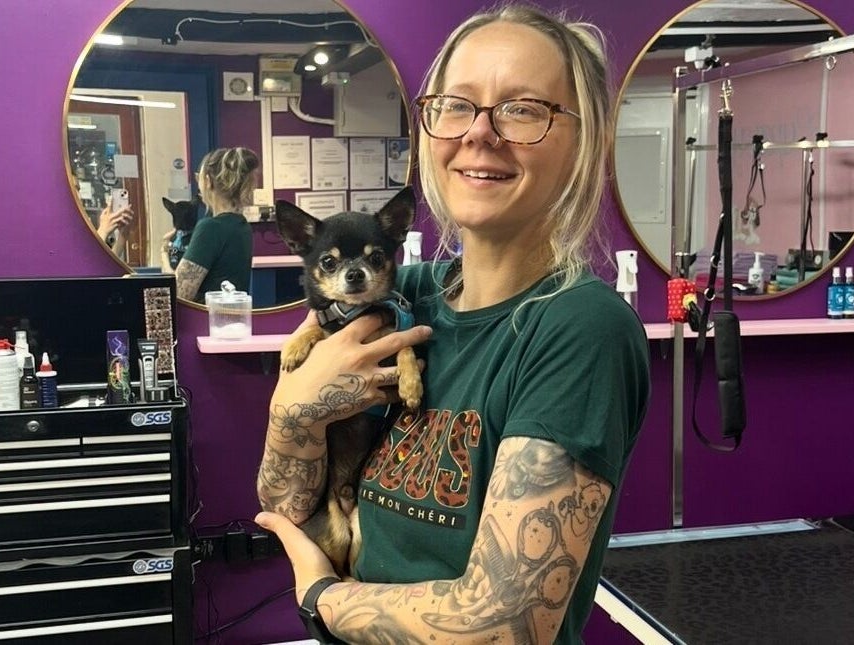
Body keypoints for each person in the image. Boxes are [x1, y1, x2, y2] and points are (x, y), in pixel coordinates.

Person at [255, 5, 650, 644]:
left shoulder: (580, 329)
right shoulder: (403, 297)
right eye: (456, 105)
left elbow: (504, 625)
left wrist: (323, 599)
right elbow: (287, 509)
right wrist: (292, 414)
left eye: (523, 109)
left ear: (585, 142)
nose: (480, 134)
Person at [172, 147, 257, 302]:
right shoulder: (242, 225)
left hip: (206, 322)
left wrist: (164, 255)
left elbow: (179, 294)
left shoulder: (211, 228)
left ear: (209, 182)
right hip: (232, 320)